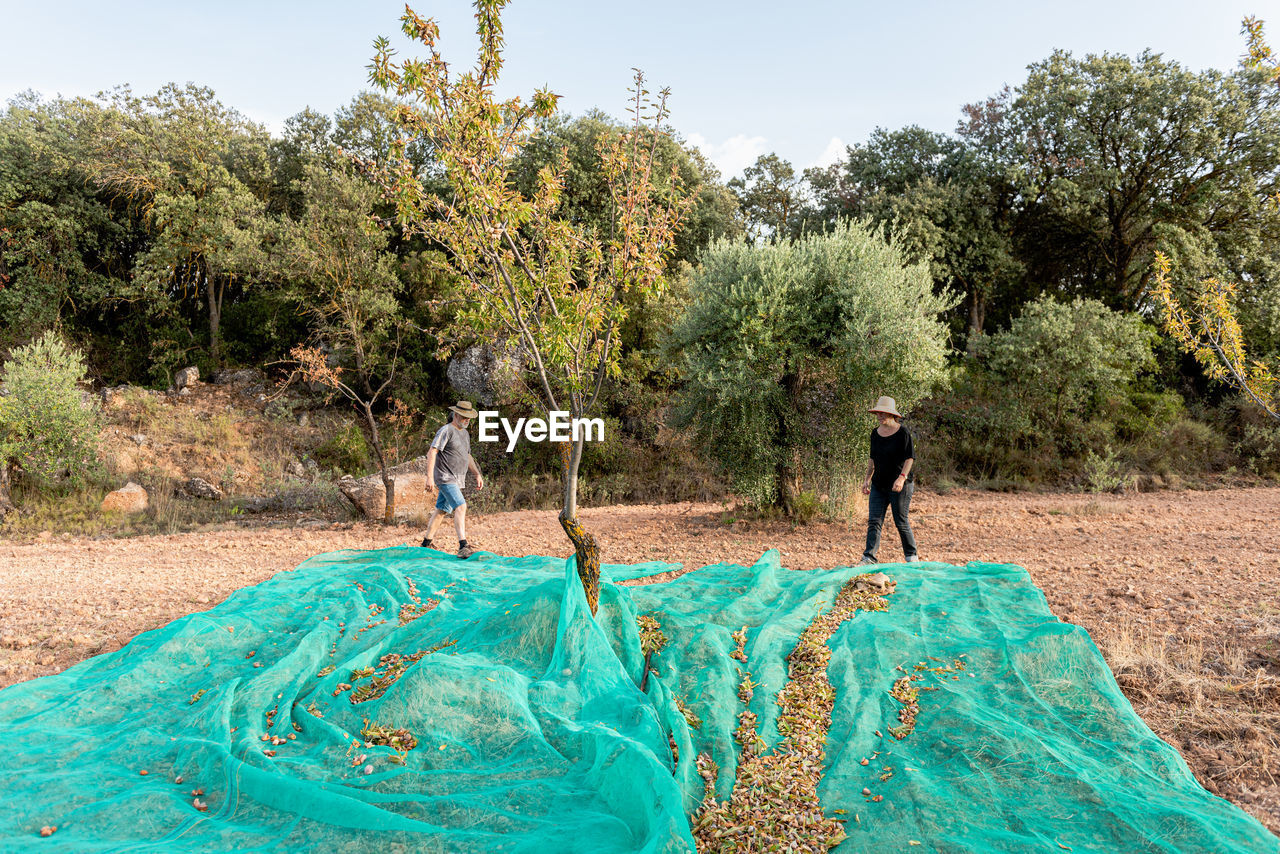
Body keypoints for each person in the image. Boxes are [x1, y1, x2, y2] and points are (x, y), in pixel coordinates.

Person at [420, 401, 485, 558]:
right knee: (461, 506)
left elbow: (467, 455)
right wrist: (429, 477)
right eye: (464, 417)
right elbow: (432, 452)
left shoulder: (465, 434)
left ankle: (425, 545)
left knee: (441, 510)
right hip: (445, 477)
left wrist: (476, 473)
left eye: (469, 417)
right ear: (456, 415)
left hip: (457, 479)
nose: (467, 420)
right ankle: (463, 545)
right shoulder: (446, 430)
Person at [860, 396, 919, 564]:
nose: (880, 415)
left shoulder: (903, 433)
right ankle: (869, 557)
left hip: (900, 485)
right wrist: (866, 480)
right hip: (879, 484)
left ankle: (911, 557)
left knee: (900, 521)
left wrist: (901, 478)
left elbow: (910, 458)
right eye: (878, 412)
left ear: (892, 414)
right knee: (874, 521)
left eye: (883, 413)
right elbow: (872, 459)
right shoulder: (875, 433)